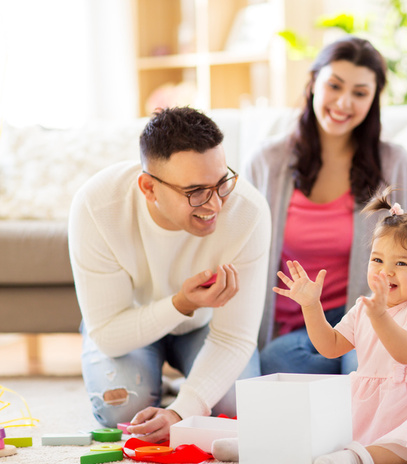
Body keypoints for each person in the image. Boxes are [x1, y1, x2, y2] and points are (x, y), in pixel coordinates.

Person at [245, 35, 407, 386]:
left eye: (360, 93)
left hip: (371, 311)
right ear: (314, 83)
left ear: (373, 99)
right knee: (276, 363)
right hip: (299, 323)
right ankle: (369, 371)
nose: (344, 102)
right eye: (334, 86)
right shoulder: (268, 162)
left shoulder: (393, 162)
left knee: (367, 369)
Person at [68, 107, 271, 443]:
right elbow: (107, 333)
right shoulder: (96, 206)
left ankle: (176, 387)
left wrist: (180, 411)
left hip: (205, 328)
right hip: (125, 323)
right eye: (195, 192)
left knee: (236, 407)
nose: (215, 205)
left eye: (221, 183)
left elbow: (235, 337)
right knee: (121, 410)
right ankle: (152, 379)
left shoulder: (248, 212)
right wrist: (180, 303)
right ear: (149, 188)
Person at [273, 189, 407, 464]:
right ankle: (267, 445)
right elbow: (330, 347)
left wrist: (380, 317)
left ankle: (357, 459)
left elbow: (406, 352)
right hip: (366, 400)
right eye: (378, 260)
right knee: (320, 424)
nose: (386, 271)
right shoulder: (365, 307)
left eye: (401, 263)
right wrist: (311, 306)